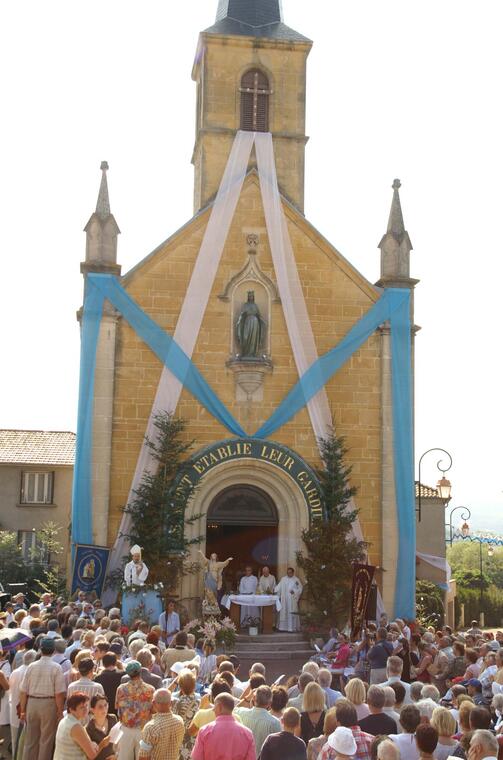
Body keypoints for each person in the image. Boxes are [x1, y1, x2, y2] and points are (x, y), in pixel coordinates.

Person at [19, 637, 66, 760]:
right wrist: (60, 710)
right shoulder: (56, 667)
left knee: (30, 740)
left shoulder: (31, 666)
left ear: (40, 649)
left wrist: (23, 709)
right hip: (48, 704)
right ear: (53, 650)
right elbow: (59, 693)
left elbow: (23, 691)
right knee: (46, 740)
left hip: (32, 703)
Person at [191, 693, 255, 760]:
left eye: (214, 706)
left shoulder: (204, 731)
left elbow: (196, 758)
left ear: (219, 707)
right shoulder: (247, 734)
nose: (213, 709)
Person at [115, 660, 154, 760]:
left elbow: (116, 706)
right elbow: (153, 710)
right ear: (140, 671)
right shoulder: (150, 689)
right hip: (143, 730)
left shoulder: (121, 689)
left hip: (126, 729)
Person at [53, 692, 110, 760]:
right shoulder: (75, 726)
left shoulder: (65, 720)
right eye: (81, 707)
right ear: (71, 710)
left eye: (86, 705)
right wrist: (102, 744)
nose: (86, 709)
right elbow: (92, 755)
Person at [235, 685, 281, 758]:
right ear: (270, 703)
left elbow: (233, 709)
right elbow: (277, 748)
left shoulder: (241, 713)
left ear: (253, 698)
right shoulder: (275, 722)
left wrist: (247, 698)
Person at [137, 688, 184, 760]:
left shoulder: (151, 727)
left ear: (153, 703)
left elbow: (143, 756)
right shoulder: (179, 721)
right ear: (171, 703)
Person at [172, 668, 199, 759]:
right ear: (194, 686)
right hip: (193, 742)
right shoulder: (200, 703)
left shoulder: (174, 702)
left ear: (180, 686)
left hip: (177, 741)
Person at [86, 695, 117, 760]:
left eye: (105, 705)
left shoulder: (113, 719)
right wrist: (102, 744)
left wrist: (116, 756)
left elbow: (120, 742)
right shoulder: (89, 728)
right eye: (100, 707)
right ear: (92, 710)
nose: (104, 709)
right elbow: (88, 756)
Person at [275, 568, 303, 632]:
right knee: (283, 612)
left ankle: (291, 628)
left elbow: (300, 588)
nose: (289, 574)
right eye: (287, 572)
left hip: (292, 599)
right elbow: (278, 587)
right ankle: (282, 628)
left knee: (291, 613)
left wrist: (295, 591)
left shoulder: (296, 580)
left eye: (290, 572)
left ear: (293, 573)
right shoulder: (283, 579)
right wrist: (274, 590)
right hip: (284, 599)